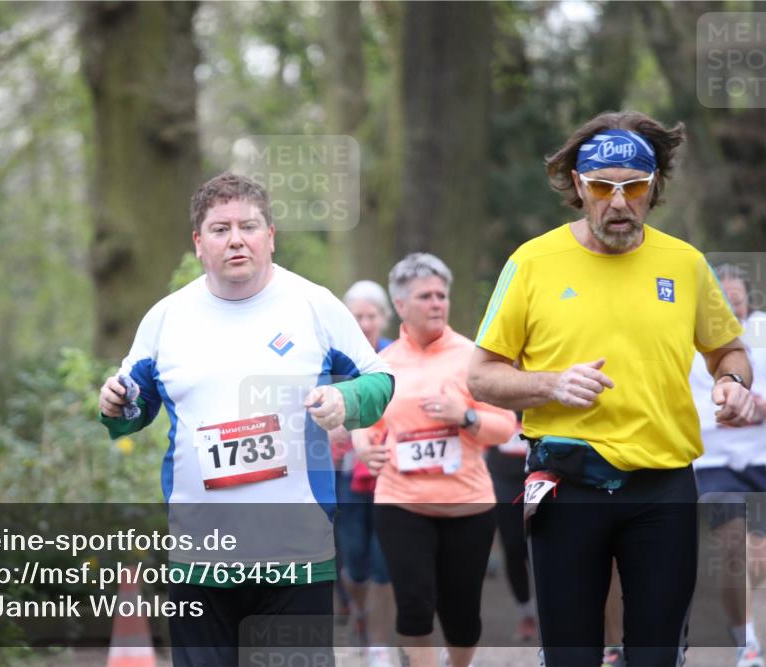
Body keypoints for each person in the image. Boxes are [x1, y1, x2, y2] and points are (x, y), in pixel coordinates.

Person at [467, 110, 757, 667]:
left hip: (663, 488)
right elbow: (480, 374)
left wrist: (733, 383)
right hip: (567, 485)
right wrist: (550, 383)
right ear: (579, 185)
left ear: (654, 188)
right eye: (602, 187)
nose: (618, 203)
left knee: (657, 655)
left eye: (634, 188)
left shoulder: (685, 263)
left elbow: (728, 350)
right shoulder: (532, 263)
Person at [98, 172, 394, 667]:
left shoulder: (315, 305)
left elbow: (379, 381)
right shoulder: (167, 318)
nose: (236, 239)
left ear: (271, 237)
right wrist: (114, 406)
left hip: (296, 552)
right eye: (219, 229)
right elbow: (130, 408)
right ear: (198, 243)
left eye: (249, 226)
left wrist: (348, 401)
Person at [355, 253, 518, 667]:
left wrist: (463, 415)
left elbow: (505, 426)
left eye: (441, 295)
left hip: (468, 504)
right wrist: (363, 444)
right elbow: (363, 419)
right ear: (400, 306)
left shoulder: (472, 357)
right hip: (402, 503)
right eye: (425, 296)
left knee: (462, 614)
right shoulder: (381, 364)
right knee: (413, 605)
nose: (436, 304)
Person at [690, 264, 766, 667]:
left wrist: (758, 407)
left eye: (737, 301)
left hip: (762, 456)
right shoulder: (692, 338)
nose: (732, 309)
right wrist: (727, 408)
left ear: (748, 301)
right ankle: (746, 639)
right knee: (738, 543)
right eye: (724, 302)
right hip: (715, 461)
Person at [329, 280, 396, 666]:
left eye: (372, 316)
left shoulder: (395, 356)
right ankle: (357, 608)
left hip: (391, 474)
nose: (366, 322)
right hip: (346, 474)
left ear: (384, 318)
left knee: (382, 561)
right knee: (353, 560)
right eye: (358, 316)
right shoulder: (335, 361)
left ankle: (379, 642)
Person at [484, 413, 537, 642]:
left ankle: (551, 613)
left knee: (544, 550)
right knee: (514, 549)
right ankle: (527, 613)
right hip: (504, 478)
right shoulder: (498, 387)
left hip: (540, 476)